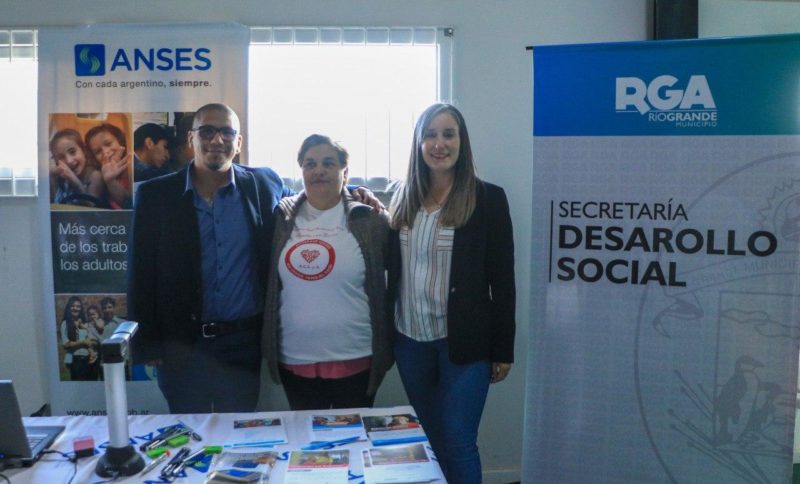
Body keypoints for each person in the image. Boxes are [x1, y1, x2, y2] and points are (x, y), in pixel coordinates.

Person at [130, 103, 382, 413]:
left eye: (227, 132)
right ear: (190, 139)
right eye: (207, 131)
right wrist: (147, 342)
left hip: (241, 344)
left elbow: (314, 191)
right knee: (190, 430)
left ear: (238, 143)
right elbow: (141, 272)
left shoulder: (263, 184)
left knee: (241, 432)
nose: (217, 140)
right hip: (181, 344)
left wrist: (355, 189)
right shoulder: (156, 195)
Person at [388, 103, 516, 483]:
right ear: (418, 143)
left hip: (464, 342)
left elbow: (503, 279)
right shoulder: (401, 196)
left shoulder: (488, 199)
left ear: (462, 142)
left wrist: (503, 348)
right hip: (410, 340)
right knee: (430, 437)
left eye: (448, 134)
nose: (438, 144)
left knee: (458, 440)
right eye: (430, 135)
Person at [262, 134, 392, 410]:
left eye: (328, 163)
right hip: (295, 358)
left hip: (357, 356)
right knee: (306, 438)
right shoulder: (281, 218)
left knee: (353, 435)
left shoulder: (369, 218)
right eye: (310, 164)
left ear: (345, 171)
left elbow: (397, 274)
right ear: (301, 170)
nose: (318, 170)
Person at [48, 129, 106, 207]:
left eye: (72, 152)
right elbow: (54, 204)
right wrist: (51, 176)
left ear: (84, 150)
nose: (69, 161)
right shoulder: (60, 178)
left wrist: (74, 181)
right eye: (61, 157)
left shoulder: (95, 176)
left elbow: (91, 206)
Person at [85, 123, 132, 209]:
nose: (105, 152)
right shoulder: (98, 175)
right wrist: (109, 180)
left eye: (108, 144)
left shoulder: (131, 167)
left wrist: (110, 181)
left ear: (120, 140)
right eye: (98, 151)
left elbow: (129, 204)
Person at [59, 296, 100, 381]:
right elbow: (66, 344)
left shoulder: (84, 323)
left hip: (91, 360)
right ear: (69, 308)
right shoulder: (65, 323)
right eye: (73, 306)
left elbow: (94, 338)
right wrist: (83, 342)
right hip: (78, 361)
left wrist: (93, 342)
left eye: (78, 306)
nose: (75, 308)